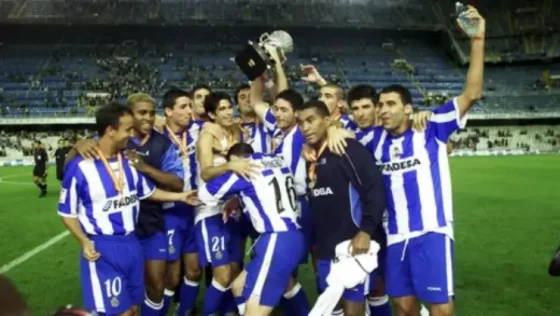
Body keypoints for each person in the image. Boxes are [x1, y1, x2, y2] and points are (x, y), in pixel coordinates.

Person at [360, 7, 485, 316]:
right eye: (380, 105)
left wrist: (478, 39)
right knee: (403, 306)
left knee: (441, 308)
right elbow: (334, 125)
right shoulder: (372, 140)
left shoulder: (432, 126)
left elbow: (472, 93)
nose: (383, 110)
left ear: (408, 108)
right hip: (396, 233)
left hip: (431, 230)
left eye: (391, 104)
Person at [58, 103, 198, 316]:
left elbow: (148, 192)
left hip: (132, 244)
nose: (131, 135)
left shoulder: (129, 162)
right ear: (110, 131)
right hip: (102, 247)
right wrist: (84, 241)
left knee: (133, 309)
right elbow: (67, 213)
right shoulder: (81, 168)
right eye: (127, 130)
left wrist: (181, 196)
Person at [298, 100, 386, 316]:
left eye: (311, 120)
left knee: (353, 309)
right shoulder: (312, 158)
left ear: (327, 120)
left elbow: (374, 189)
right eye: (301, 123)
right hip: (326, 248)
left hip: (352, 244)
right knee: (333, 307)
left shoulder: (346, 148)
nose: (306, 127)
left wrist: (365, 231)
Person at [199, 143, 304, 316]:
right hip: (287, 236)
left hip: (277, 239)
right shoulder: (275, 159)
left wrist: (228, 168)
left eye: (233, 165)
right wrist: (238, 197)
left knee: (254, 312)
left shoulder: (245, 170)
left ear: (239, 161)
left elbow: (205, 194)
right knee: (239, 287)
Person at [195, 91, 257, 315]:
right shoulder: (206, 136)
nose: (229, 112)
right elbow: (205, 173)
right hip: (211, 210)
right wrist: (228, 166)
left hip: (234, 209)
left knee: (234, 269)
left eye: (229, 107)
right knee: (221, 276)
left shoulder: (236, 132)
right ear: (211, 114)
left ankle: (230, 312)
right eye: (221, 109)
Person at [159, 89, 203, 316]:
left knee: (194, 271)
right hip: (169, 213)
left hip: (195, 210)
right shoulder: (157, 137)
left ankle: (184, 312)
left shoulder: (198, 130)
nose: (189, 110)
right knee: (172, 277)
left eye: (190, 106)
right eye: (183, 107)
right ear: (168, 111)